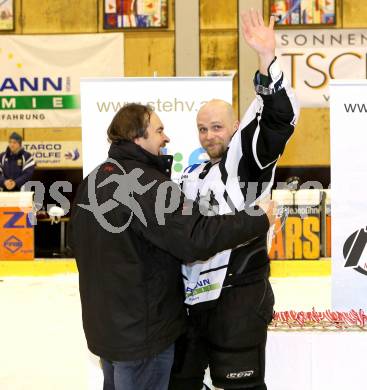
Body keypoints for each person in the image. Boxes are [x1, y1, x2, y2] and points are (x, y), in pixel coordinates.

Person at [68, 103, 275, 390]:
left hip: (108, 332)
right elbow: (195, 238)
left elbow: (76, 244)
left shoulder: (93, 179)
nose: (166, 138)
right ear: (137, 137)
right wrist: (256, 220)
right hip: (144, 335)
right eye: (159, 130)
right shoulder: (145, 184)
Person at [168, 10, 299, 390]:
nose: (209, 136)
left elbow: (276, 122)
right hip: (193, 307)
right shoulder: (189, 176)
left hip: (238, 300)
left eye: (217, 127)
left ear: (235, 128)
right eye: (202, 129)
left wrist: (265, 59)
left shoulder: (246, 162)